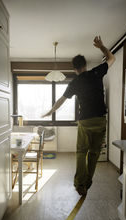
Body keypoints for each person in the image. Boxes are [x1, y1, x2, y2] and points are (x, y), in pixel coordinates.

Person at [42, 36, 115, 196]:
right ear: (86, 65)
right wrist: (101, 46)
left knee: (82, 152)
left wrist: (50, 112)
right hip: (101, 120)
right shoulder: (97, 72)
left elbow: (60, 101)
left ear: (74, 69)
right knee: (94, 153)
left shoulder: (74, 83)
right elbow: (111, 58)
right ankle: (87, 182)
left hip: (86, 121)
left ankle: (79, 184)